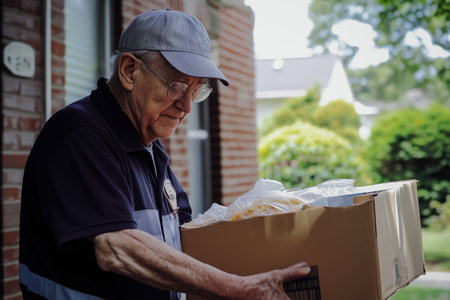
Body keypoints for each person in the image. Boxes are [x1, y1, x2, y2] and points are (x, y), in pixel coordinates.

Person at [19, 9, 310, 300]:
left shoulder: (149, 145)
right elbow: (115, 247)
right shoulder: (80, 134)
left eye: (196, 91)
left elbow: (184, 237)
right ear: (129, 71)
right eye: (177, 86)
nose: (186, 107)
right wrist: (240, 289)